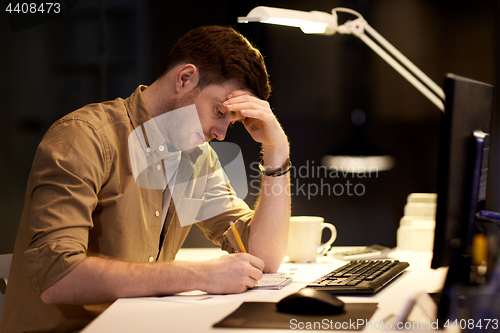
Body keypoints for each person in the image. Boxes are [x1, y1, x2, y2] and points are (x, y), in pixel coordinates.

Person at [1, 25, 291, 333]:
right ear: (184, 78)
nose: (220, 134)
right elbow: (57, 276)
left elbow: (262, 257)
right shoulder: (84, 137)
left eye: (230, 123)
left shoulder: (194, 157)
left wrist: (276, 150)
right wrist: (200, 275)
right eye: (220, 111)